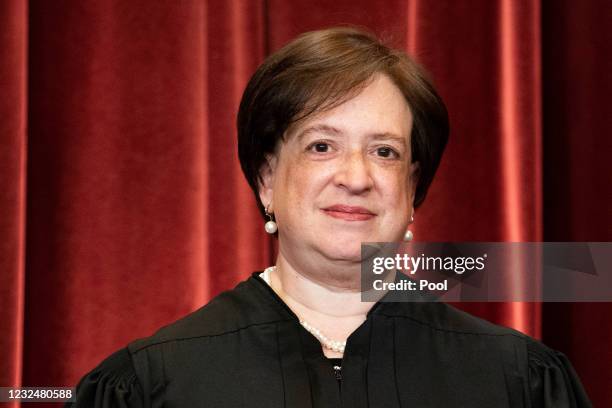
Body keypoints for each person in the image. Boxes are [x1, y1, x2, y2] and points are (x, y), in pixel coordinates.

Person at [68, 27, 592, 407]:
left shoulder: (518, 381)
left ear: (413, 189)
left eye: (385, 152)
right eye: (322, 146)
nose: (356, 177)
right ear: (266, 178)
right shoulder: (151, 384)